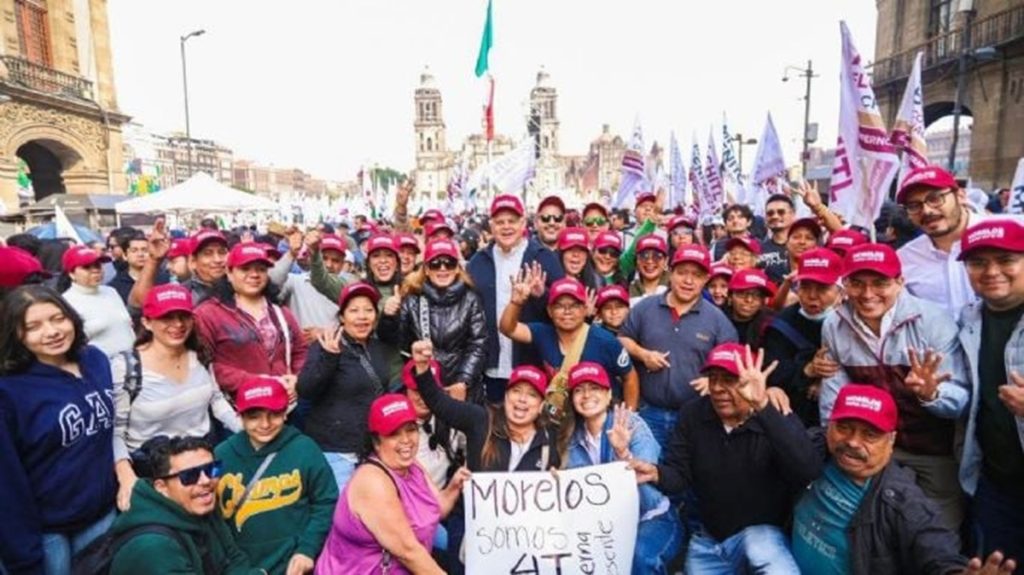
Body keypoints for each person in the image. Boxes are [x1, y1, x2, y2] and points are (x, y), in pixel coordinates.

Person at [630, 343, 821, 574]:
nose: (718, 388)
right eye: (713, 379)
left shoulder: (773, 413)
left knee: (763, 549)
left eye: (730, 380)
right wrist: (656, 473)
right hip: (711, 541)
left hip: (762, 535)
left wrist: (763, 407)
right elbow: (680, 475)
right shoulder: (693, 414)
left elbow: (808, 470)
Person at [819, 242, 970, 533]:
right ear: (844, 284)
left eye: (880, 283)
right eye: (857, 283)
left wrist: (933, 394)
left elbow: (962, 399)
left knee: (938, 533)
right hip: (874, 451)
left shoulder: (932, 320)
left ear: (900, 282)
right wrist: (838, 446)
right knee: (874, 531)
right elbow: (833, 398)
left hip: (935, 451)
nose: (867, 294)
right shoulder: (834, 325)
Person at [792, 384, 1017, 575]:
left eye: (870, 435)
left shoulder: (904, 502)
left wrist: (955, 572)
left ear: (891, 440)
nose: (852, 442)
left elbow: (935, 547)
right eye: (844, 428)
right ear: (829, 426)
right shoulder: (816, 448)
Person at [0, 285, 117, 575]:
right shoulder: (9, 391)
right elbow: (7, 482)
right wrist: (24, 557)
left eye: (58, 318)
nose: (52, 332)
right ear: (15, 333)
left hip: (101, 514)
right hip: (46, 532)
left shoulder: (95, 360)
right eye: (33, 326)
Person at [113, 284, 242, 512]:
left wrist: (245, 429)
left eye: (184, 316)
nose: (178, 325)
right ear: (146, 322)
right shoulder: (127, 367)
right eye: (166, 318)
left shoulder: (199, 355)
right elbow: (115, 432)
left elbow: (215, 399)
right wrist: (126, 477)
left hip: (201, 467)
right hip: (154, 473)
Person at [314, 394, 470, 575]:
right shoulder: (372, 482)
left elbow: (436, 509)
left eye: (410, 430)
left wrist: (454, 486)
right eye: (394, 434)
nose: (406, 440)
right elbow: (408, 552)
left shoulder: (413, 467)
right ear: (376, 442)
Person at [560, 362, 682, 575]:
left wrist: (622, 452)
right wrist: (558, 482)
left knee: (640, 556)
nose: (586, 395)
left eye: (594, 388)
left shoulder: (632, 425)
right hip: (601, 526)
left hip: (650, 516)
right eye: (578, 390)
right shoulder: (569, 438)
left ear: (609, 395)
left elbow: (644, 479)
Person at [618, 245, 738, 448]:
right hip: (649, 413)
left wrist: (712, 380)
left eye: (696, 275)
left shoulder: (717, 320)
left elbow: (733, 362)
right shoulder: (645, 308)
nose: (688, 281)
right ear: (671, 272)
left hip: (696, 417)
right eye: (682, 273)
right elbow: (622, 338)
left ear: (706, 279)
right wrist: (643, 354)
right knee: (646, 465)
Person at [216, 377, 338, 575]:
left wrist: (308, 548)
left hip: (293, 564)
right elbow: (213, 519)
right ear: (240, 416)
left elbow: (326, 502)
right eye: (254, 417)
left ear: (285, 413)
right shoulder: (222, 455)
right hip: (240, 564)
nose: (265, 424)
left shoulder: (304, 449)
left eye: (274, 414)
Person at [957, 218, 1024, 568]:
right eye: (978, 262)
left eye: (1006, 260)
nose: (992, 271)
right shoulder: (967, 320)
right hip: (995, 483)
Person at [108, 436, 266, 575]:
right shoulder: (154, 547)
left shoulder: (201, 504)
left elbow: (234, 560)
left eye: (211, 469)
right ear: (161, 487)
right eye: (190, 475)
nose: (205, 481)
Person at [467, 194, 563, 403]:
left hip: (532, 363)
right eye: (500, 222)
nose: (506, 227)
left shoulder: (544, 257)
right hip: (491, 366)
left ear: (523, 223)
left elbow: (563, 308)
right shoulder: (478, 262)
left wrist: (542, 295)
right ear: (491, 226)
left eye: (511, 221)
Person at [297, 282, 392, 489]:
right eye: (354, 310)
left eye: (368, 310)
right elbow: (305, 389)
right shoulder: (326, 344)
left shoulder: (377, 348)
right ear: (342, 316)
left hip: (371, 450)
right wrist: (329, 358)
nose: (362, 317)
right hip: (336, 452)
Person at [500, 275, 639, 409]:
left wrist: (628, 416)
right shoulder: (542, 333)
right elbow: (508, 329)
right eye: (559, 306)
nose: (567, 311)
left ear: (585, 309)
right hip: (561, 415)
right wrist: (516, 303)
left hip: (597, 413)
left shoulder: (606, 341)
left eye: (574, 306)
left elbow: (630, 377)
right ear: (550, 311)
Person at [379, 238, 488, 402]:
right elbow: (395, 341)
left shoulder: (471, 299)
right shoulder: (412, 300)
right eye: (435, 263)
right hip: (424, 387)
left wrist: (463, 380)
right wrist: (388, 316)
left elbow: (479, 344)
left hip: (462, 390)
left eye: (449, 263)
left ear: (457, 269)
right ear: (427, 270)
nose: (443, 268)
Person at [194, 242, 306, 401]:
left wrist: (297, 379)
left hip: (281, 405)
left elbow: (300, 351)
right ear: (229, 272)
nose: (254, 275)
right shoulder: (208, 314)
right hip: (235, 407)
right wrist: (256, 382)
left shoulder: (281, 312)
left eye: (261, 269)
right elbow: (203, 363)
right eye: (245, 269)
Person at [763, 248, 844, 427]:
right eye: (805, 287)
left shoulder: (854, 323)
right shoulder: (781, 326)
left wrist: (827, 381)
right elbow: (772, 373)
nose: (812, 296)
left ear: (840, 290)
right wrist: (807, 370)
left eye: (822, 288)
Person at [896, 165, 983, 318]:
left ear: (960, 196)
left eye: (935, 199)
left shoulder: (1009, 236)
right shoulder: (904, 258)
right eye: (914, 206)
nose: (927, 211)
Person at [59, 244, 135, 382]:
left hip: (133, 367)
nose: (95, 270)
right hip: (102, 374)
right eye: (87, 267)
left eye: (98, 265)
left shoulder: (111, 292)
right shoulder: (66, 302)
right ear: (71, 273)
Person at [268, 230, 343, 343]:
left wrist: (325, 333)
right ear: (312, 257)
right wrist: (291, 254)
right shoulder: (294, 281)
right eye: (324, 258)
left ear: (342, 264)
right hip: (300, 350)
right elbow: (270, 283)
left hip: (334, 349)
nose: (329, 265)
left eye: (336, 261)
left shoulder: (347, 288)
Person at [725, 268, 777, 350]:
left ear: (763, 302)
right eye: (742, 293)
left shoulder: (771, 325)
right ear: (730, 296)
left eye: (757, 295)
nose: (749, 300)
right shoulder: (716, 319)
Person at [760, 194, 796, 283]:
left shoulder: (805, 245)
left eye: (781, 212)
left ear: (792, 214)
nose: (775, 216)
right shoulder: (758, 249)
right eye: (770, 213)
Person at [628, 234, 669, 304]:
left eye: (656, 256)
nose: (650, 261)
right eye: (644, 256)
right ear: (637, 260)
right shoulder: (626, 290)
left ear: (666, 261)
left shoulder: (677, 288)